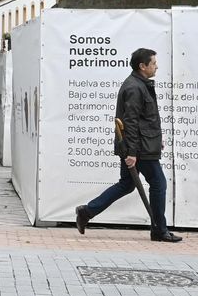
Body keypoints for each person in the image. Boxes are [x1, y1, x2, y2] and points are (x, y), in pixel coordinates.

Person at [74, 47, 179, 243]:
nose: (157, 67)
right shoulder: (134, 87)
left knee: (126, 185)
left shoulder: (139, 84)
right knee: (158, 184)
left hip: (141, 146)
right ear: (142, 66)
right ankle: (159, 230)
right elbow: (129, 122)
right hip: (139, 150)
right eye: (154, 63)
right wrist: (131, 152)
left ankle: (87, 212)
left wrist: (155, 139)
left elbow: (145, 119)